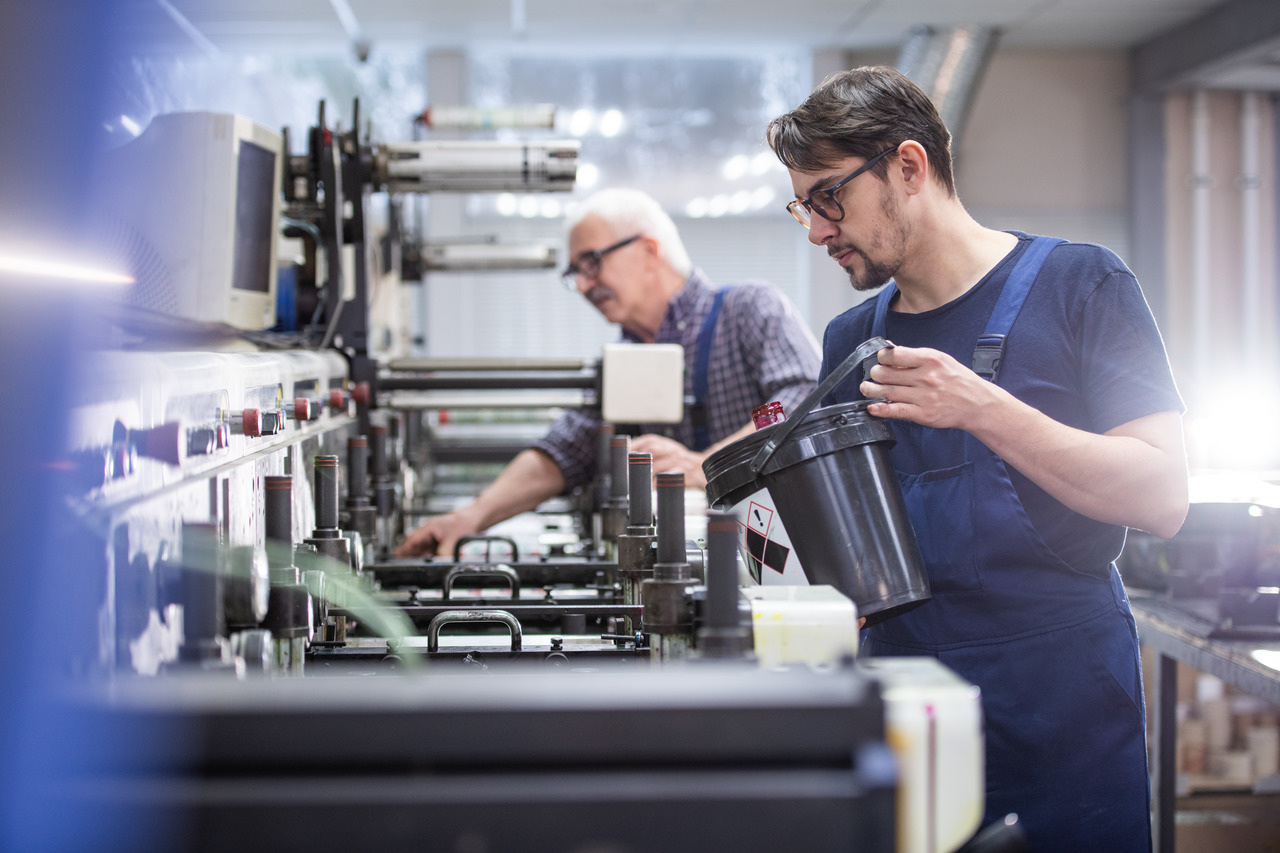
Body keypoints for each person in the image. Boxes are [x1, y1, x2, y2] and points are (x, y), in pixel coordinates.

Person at [767, 66, 1188, 852]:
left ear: (910, 167)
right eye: (805, 207)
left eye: (830, 197)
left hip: (1062, 722)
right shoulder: (849, 343)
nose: (819, 230)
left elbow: (1162, 493)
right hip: (907, 719)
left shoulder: (1082, 284)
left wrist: (983, 408)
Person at [396, 187, 821, 557]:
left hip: (789, 558)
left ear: (649, 251)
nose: (582, 285)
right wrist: (471, 517)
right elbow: (565, 452)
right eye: (574, 272)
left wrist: (704, 465)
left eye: (592, 262)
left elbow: (804, 399)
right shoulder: (623, 361)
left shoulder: (750, 309)